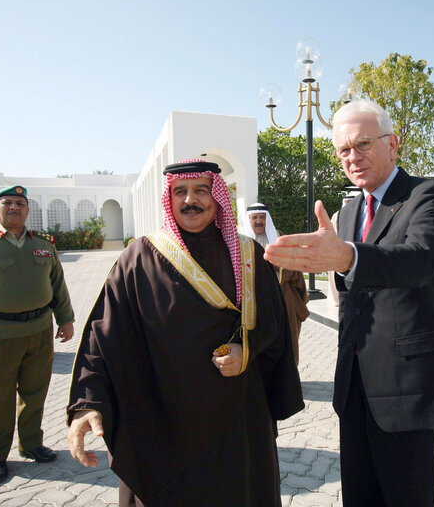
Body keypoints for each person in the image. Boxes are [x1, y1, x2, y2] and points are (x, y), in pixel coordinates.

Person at [264, 99, 434, 506]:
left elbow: (418, 261)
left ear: (392, 144)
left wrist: (347, 257)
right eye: (343, 150)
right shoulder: (350, 211)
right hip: (354, 384)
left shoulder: (428, 195)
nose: (352, 157)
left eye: (362, 144)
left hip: (406, 387)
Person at [66, 159, 304, 506]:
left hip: (237, 421)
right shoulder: (139, 258)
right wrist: (88, 404)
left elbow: (274, 323)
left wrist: (246, 351)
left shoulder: (249, 255)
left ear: (217, 197)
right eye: (180, 192)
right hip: (163, 422)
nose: (190, 200)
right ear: (170, 198)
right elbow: (104, 337)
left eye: (200, 191)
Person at [0, 185, 75, 485]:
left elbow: (57, 284)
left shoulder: (43, 244)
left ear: (27, 210)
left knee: (35, 392)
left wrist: (66, 319)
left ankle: (31, 444)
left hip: (39, 331)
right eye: (7, 202)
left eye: (20, 203)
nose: (14, 207)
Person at [242, 202, 309, 365]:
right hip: (253, 301)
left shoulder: (281, 239)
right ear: (249, 220)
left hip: (284, 298)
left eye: (262, 217)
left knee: (286, 341)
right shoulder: (240, 243)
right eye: (254, 217)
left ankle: (288, 376)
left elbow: (296, 270)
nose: (259, 221)